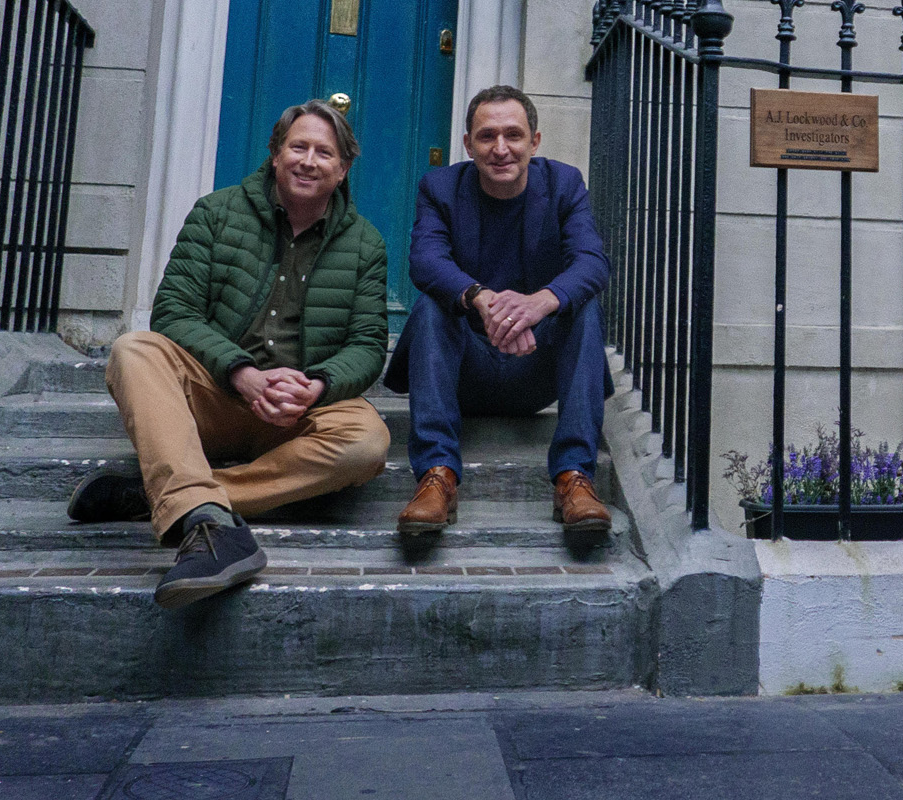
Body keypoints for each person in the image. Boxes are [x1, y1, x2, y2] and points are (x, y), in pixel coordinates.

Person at [68, 100, 392, 608]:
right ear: (276, 153)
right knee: (134, 350)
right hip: (216, 395)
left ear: (343, 167)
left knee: (368, 441)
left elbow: (368, 345)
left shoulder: (366, 243)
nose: (309, 160)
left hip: (300, 410)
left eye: (324, 152)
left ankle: (176, 497)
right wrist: (241, 373)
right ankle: (204, 516)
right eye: (298, 147)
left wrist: (318, 386)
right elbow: (174, 311)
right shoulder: (217, 214)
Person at [387, 85, 613, 537]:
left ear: (535, 141)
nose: (501, 148)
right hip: (464, 371)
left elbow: (592, 260)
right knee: (435, 304)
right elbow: (425, 261)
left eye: (514, 134)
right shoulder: (440, 188)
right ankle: (437, 477)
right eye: (487, 136)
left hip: (536, 371)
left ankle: (573, 476)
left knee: (582, 307)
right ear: (468, 144)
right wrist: (484, 300)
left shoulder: (564, 183)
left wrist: (538, 303)